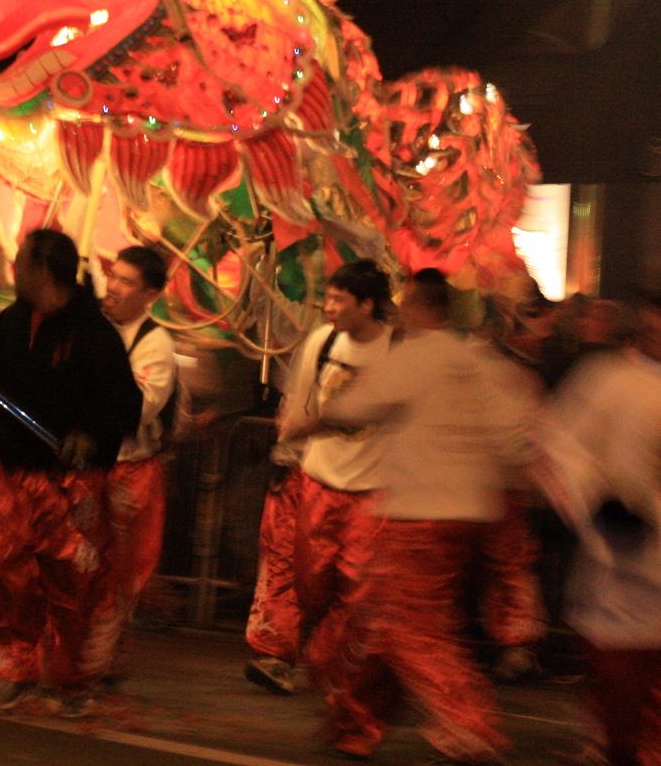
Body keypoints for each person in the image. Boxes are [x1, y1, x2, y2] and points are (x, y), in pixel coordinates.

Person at [301, 268, 538, 763]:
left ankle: (470, 725)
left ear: (414, 306)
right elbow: (517, 435)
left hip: (419, 514)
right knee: (384, 619)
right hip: (469, 513)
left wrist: (311, 422)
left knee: (413, 626)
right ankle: (353, 723)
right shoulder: (481, 362)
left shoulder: (420, 355)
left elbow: (356, 406)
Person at [0, 229, 141, 718]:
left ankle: (73, 678)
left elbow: (123, 403)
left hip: (65, 480)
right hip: (8, 468)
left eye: (20, 264)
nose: (13, 272)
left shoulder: (94, 333)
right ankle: (12, 670)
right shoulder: (15, 319)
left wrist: (89, 434)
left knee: (71, 584)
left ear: (42, 271)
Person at [245, 259, 393, 695]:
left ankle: (338, 669)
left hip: (371, 492)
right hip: (317, 482)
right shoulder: (322, 342)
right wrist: (285, 454)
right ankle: (315, 660)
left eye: (338, 299)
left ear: (367, 305)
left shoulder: (397, 351)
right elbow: (300, 405)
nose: (328, 307)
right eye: (327, 297)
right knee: (311, 583)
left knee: (358, 587)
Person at [537, 295, 661, 766]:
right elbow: (560, 444)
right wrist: (600, 503)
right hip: (626, 554)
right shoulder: (610, 380)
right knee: (622, 672)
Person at [90, 244, 176, 685]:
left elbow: (136, 409)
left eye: (127, 282)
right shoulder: (93, 327)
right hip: (88, 467)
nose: (114, 287)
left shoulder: (154, 344)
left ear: (151, 295)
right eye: (114, 276)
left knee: (118, 575)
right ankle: (77, 655)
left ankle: (96, 660)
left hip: (130, 470)